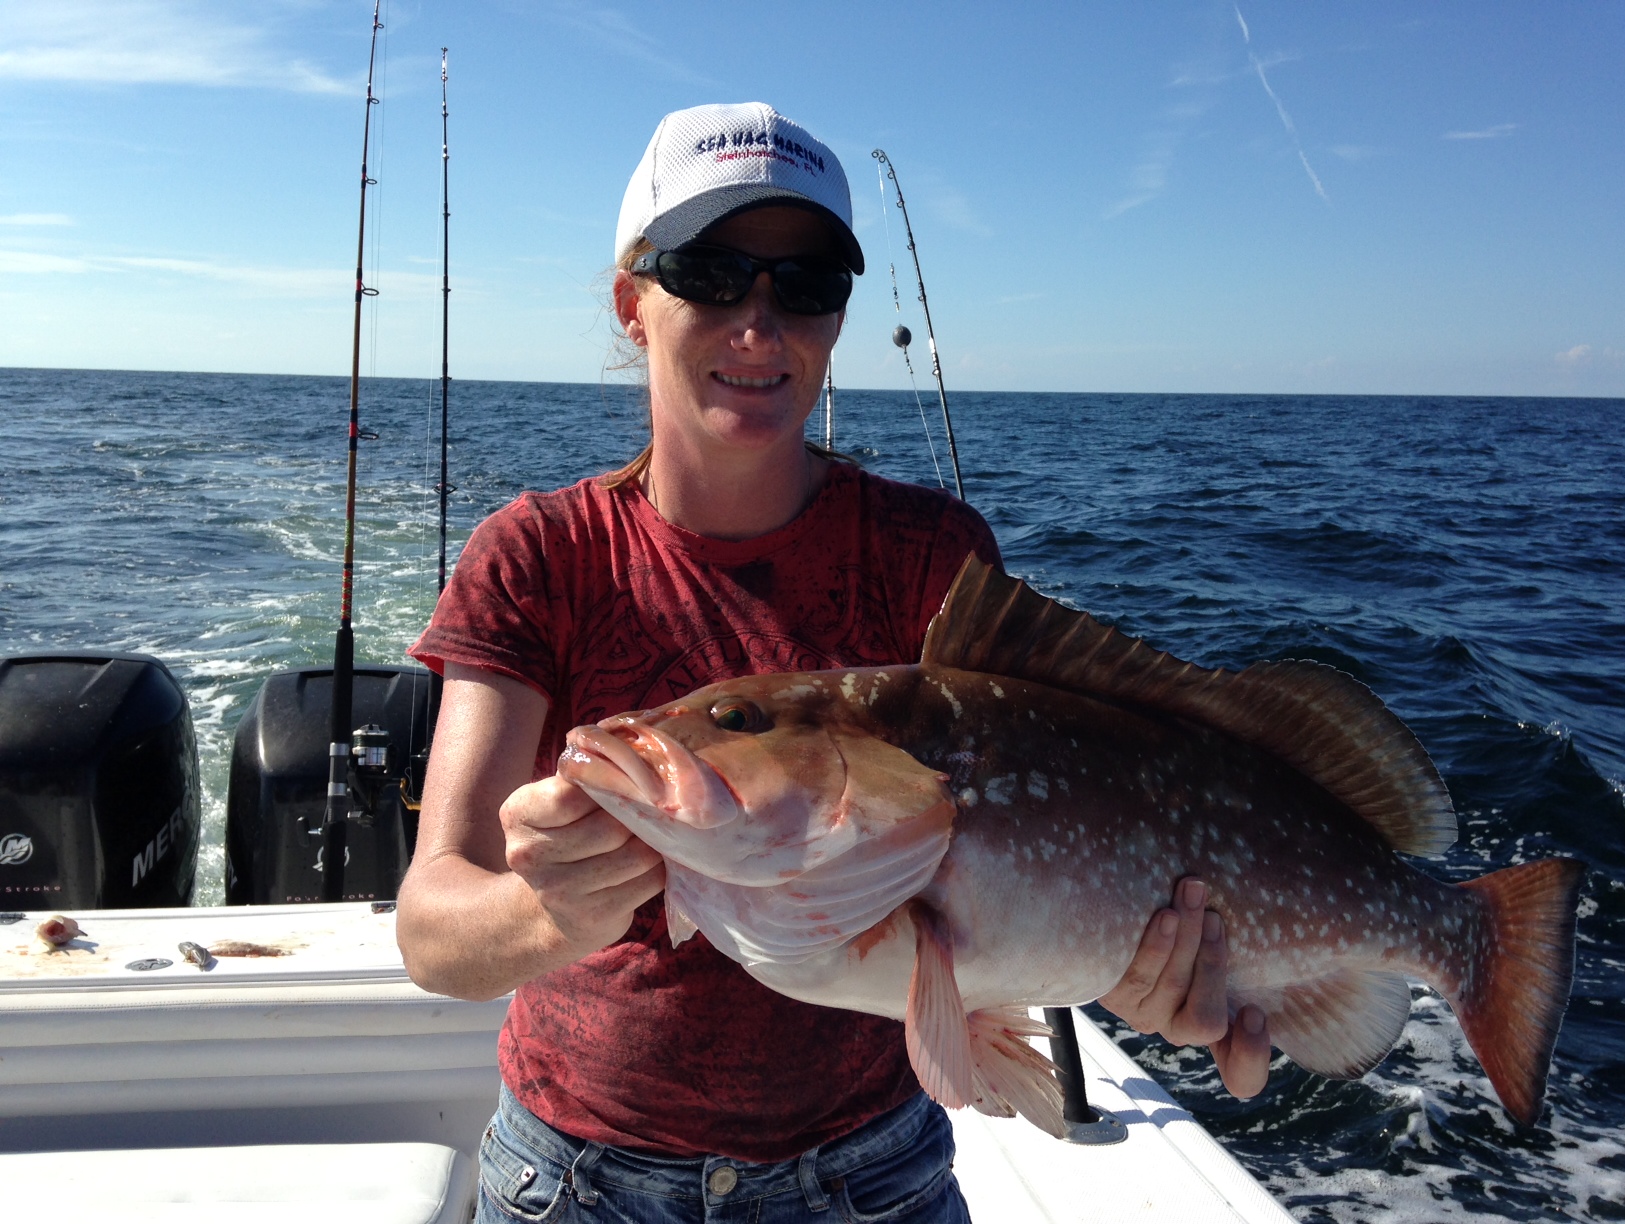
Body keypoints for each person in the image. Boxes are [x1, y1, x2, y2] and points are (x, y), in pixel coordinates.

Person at [397, 101, 1270, 1223]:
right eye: (711, 274)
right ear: (631, 304)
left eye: (805, 285)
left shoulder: (930, 554)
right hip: (577, 1181)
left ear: (838, 318)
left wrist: (1137, 968)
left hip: (872, 1181)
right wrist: (552, 915)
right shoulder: (539, 555)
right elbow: (434, 933)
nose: (759, 323)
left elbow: (1012, 890)